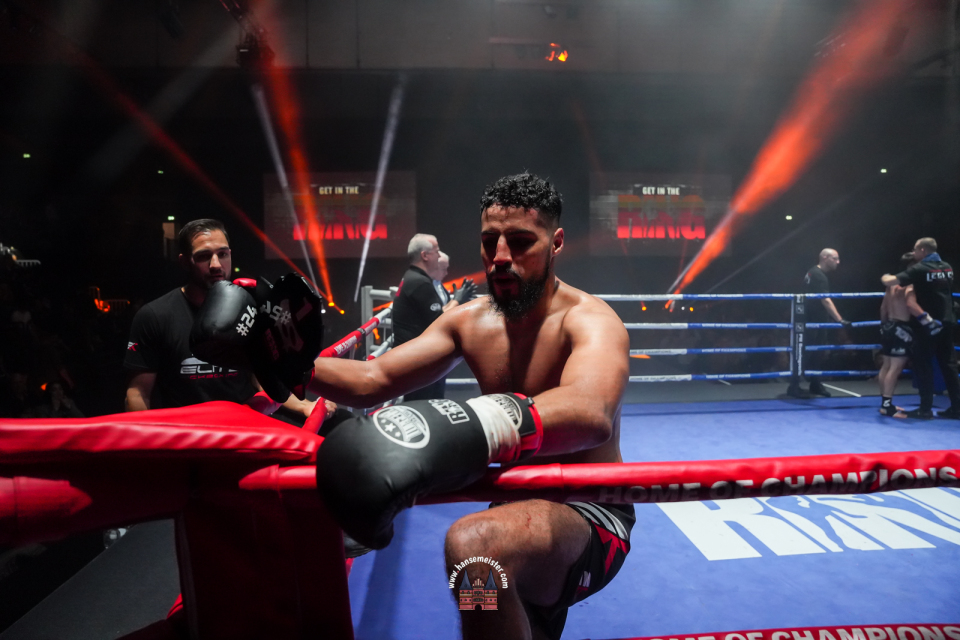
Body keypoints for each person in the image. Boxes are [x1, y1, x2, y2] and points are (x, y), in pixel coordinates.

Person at [305, 173, 633, 640]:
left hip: (590, 512)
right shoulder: (469, 321)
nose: (500, 257)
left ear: (556, 243)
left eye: (520, 242)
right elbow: (373, 379)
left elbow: (590, 411)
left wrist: (471, 424)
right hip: (515, 508)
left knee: (476, 550)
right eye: (489, 241)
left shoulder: (590, 320)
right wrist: (284, 360)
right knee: (488, 597)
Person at [123, 218, 319, 418]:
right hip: (188, 431)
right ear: (185, 261)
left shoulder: (251, 307)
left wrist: (305, 406)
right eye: (204, 256)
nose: (216, 265)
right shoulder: (155, 315)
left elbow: (263, 378)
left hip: (244, 427)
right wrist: (143, 436)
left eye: (222, 254)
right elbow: (138, 392)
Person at [391, 233, 477, 401]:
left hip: (415, 357)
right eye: (436, 251)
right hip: (417, 360)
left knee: (424, 402)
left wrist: (455, 301)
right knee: (422, 404)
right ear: (425, 255)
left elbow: (433, 314)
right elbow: (438, 319)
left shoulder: (414, 277)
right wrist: (457, 300)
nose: (439, 256)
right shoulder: (419, 282)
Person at [882, 237, 960, 419]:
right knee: (949, 366)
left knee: (923, 365)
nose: (914, 253)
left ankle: (925, 409)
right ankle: (957, 407)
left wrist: (884, 276)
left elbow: (892, 283)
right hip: (947, 321)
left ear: (923, 250)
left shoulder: (920, 269)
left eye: (916, 250)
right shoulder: (947, 267)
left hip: (927, 324)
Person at [788, 248, 851, 398]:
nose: (838, 262)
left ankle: (815, 383)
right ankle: (794, 386)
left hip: (814, 319)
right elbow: (826, 300)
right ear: (824, 258)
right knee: (805, 353)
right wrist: (840, 319)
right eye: (835, 258)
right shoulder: (819, 276)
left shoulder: (812, 272)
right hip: (812, 320)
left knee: (817, 353)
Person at [877, 252, 923, 418]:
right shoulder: (909, 285)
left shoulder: (891, 285)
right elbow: (911, 305)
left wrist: (884, 326)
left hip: (888, 325)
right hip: (901, 327)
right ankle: (887, 407)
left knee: (886, 365)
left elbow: (883, 308)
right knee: (895, 368)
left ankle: (885, 403)